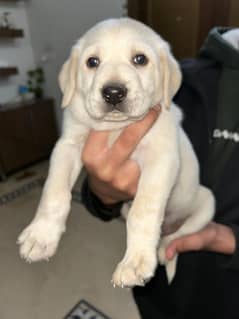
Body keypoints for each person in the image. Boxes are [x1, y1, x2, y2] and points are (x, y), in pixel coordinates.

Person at [81, 27, 239, 319]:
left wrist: (229, 239)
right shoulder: (167, 76)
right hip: (157, 287)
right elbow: (101, 177)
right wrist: (101, 192)